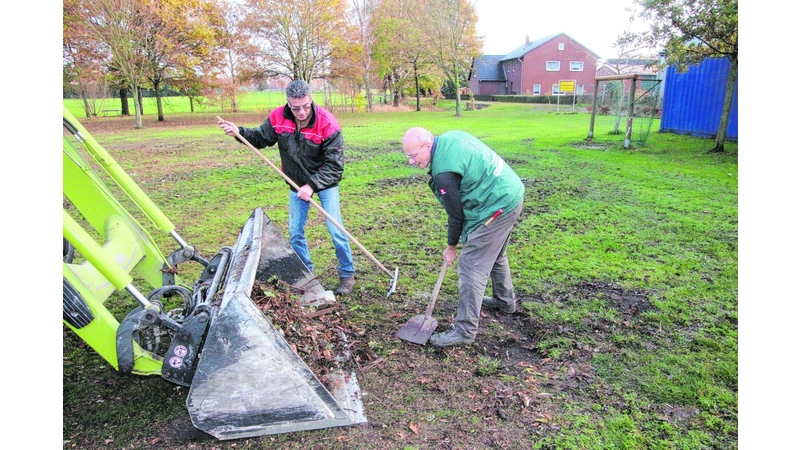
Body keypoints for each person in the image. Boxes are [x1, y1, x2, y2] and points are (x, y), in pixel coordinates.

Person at [217, 80, 356, 295]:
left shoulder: (328, 124)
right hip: (295, 182)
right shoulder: (278, 118)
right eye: (295, 107)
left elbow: (335, 166)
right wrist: (239, 132)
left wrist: (311, 185)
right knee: (295, 232)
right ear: (288, 104)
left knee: (335, 229)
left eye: (305, 106)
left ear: (311, 100)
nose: (301, 112)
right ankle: (306, 276)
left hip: (325, 183)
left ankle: (347, 274)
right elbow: (260, 138)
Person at [401, 127, 525, 347]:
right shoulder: (450, 137)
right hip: (510, 192)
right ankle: (504, 302)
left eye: (413, 156)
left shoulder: (444, 174)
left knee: (470, 265)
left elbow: (455, 214)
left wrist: (451, 247)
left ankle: (464, 331)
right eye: (408, 157)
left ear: (427, 146)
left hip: (497, 204)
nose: (411, 162)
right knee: (495, 254)